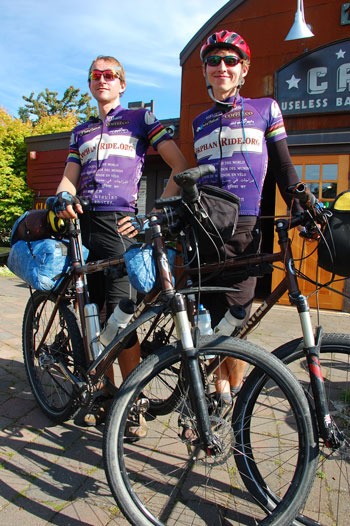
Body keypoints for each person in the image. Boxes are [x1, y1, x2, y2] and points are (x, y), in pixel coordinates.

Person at [54, 55, 188, 430]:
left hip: (121, 224)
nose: (102, 80)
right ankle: (107, 392)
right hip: (84, 223)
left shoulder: (139, 120)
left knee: (121, 314)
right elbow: (68, 179)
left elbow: (178, 164)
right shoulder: (80, 131)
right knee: (94, 312)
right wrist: (63, 196)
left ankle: (132, 401)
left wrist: (158, 211)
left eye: (110, 75)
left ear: (122, 84)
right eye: (96, 75)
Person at [192, 30, 302, 410]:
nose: (221, 67)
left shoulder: (265, 108)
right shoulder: (199, 121)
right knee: (207, 316)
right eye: (213, 61)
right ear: (205, 72)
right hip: (205, 228)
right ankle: (215, 394)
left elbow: (284, 165)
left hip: (246, 227)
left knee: (237, 319)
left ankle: (232, 393)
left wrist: (299, 200)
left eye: (230, 60)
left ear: (244, 70)